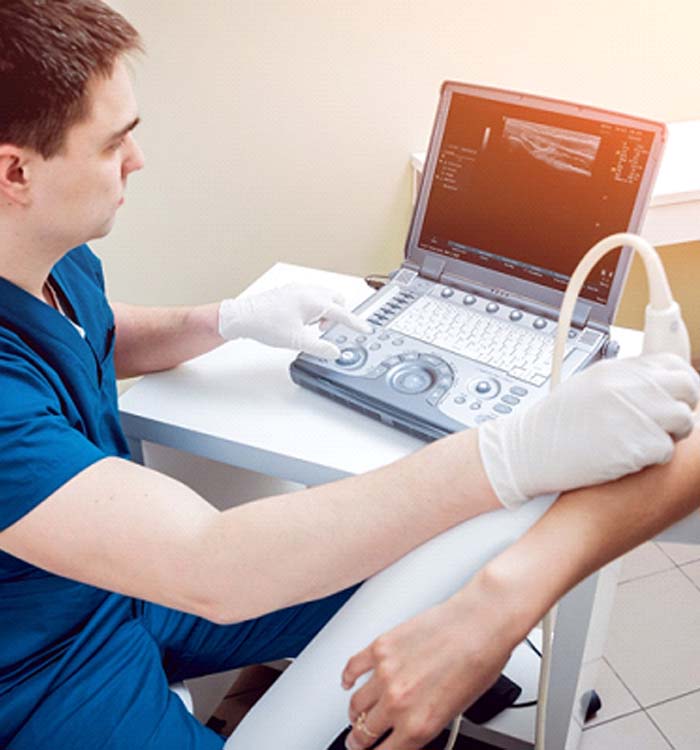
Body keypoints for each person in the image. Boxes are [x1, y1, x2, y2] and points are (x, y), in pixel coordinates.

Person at [0, 2, 697, 749]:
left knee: (412, 568)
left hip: (121, 589)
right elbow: (209, 566)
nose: (137, 162)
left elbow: (96, 328)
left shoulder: (46, 253)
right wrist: (508, 450)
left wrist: (226, 318)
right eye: (115, 144)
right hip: (46, 668)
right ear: (15, 170)